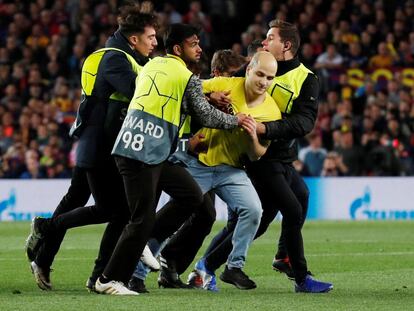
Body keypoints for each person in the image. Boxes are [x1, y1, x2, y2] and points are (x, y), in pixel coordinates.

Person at [93, 23, 247, 296]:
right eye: (193, 44)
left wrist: (207, 95)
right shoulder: (184, 77)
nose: (199, 48)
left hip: (146, 149)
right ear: (178, 49)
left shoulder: (152, 65)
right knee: (140, 218)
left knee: (191, 196)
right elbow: (207, 116)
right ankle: (108, 279)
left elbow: (182, 92)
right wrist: (237, 120)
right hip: (142, 153)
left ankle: (144, 240)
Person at [190, 19, 333, 293]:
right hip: (259, 156)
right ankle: (299, 275)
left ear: (286, 45)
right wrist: (213, 98)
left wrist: (265, 128)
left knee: (278, 209)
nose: (264, 42)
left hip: (281, 155)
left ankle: (208, 264)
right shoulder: (258, 64)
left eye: (270, 38)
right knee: (288, 209)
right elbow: (232, 86)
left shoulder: (306, 79)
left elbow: (304, 123)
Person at [25, 7, 158, 291]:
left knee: (83, 201)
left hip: (96, 142)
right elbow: (140, 93)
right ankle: (93, 270)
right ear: (134, 39)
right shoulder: (115, 59)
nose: (155, 42)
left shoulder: (120, 56)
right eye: (151, 36)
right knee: (114, 209)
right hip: (100, 145)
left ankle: (51, 259)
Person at [130, 51, 280, 292]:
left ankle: (234, 266)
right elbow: (187, 86)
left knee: (253, 210)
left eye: (270, 77)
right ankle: (137, 275)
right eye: (260, 74)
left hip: (231, 170)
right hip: (198, 163)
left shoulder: (272, 111)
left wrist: (253, 137)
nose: (264, 81)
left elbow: (257, 154)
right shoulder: (226, 84)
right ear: (249, 70)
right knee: (176, 219)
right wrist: (210, 95)